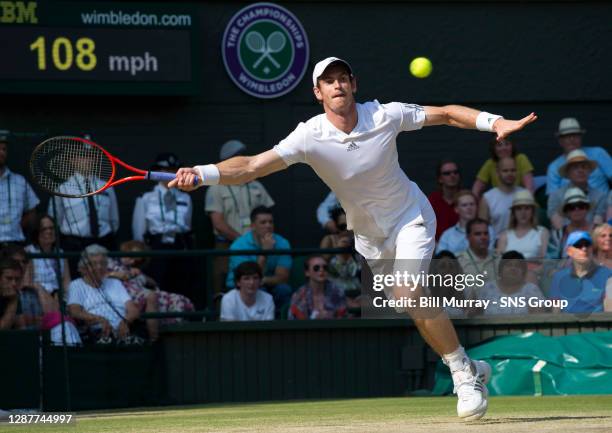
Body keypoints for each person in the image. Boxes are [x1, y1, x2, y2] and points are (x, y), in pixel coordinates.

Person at [170, 56, 537, 420]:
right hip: (370, 237)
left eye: (343, 78)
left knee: (411, 291)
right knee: (410, 307)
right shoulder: (308, 135)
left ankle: (461, 375)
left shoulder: (384, 114)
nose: (338, 85)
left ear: (354, 84)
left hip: (410, 218)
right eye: (329, 81)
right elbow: (250, 166)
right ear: (318, 93)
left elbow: (444, 113)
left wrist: (494, 122)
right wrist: (202, 174)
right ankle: (472, 367)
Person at [205, 140, 275, 294]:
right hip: (227, 245)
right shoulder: (215, 187)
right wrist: (242, 240)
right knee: (222, 286)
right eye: (236, 157)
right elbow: (218, 223)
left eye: (242, 155)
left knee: (257, 281)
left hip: (257, 245)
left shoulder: (256, 185)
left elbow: (267, 213)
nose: (241, 159)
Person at [48, 134, 119, 268]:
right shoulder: (63, 189)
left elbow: (114, 220)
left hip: (104, 243)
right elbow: (56, 219)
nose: (87, 159)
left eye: (90, 155)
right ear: (72, 159)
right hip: (75, 245)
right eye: (82, 155)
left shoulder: (107, 186)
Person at [132, 153, 196, 302]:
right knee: (158, 283)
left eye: (173, 170)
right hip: (157, 247)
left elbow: (187, 224)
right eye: (165, 170)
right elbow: (139, 230)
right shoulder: (146, 198)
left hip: (180, 245)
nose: (169, 174)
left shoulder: (185, 197)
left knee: (182, 283)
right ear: (156, 172)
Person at [107, 240, 194, 331]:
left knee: (178, 299)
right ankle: (155, 336)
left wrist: (140, 275)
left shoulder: (135, 271)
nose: (131, 261)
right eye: (129, 255)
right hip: (127, 297)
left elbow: (152, 282)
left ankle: (178, 328)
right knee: (153, 297)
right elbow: (102, 274)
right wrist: (117, 274)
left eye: (135, 259)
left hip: (142, 293)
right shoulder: (111, 262)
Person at [67, 245, 141, 343]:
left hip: (123, 329)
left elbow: (133, 310)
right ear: (83, 267)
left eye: (103, 263)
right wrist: (99, 319)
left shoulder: (115, 283)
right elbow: (74, 311)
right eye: (94, 264)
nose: (99, 267)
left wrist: (125, 322)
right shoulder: (76, 285)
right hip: (98, 331)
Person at [225, 206, 292, 309]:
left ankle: (281, 324)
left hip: (269, 284)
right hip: (240, 287)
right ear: (253, 226)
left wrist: (263, 280)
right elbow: (249, 279)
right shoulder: (238, 246)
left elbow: (282, 277)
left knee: (284, 290)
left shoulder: (282, 243)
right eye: (263, 222)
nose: (268, 226)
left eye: (271, 222)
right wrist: (264, 252)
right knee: (259, 291)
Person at [549, 231, 612, 313]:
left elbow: (609, 312)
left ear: (592, 248)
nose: (584, 248)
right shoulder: (559, 277)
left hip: (597, 324)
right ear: (569, 251)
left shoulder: (607, 275)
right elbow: (555, 312)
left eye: (587, 244)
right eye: (578, 245)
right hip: (567, 324)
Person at [546, 118, 612, 195]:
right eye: (567, 136)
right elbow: (553, 197)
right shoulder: (554, 167)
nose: (571, 139)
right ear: (560, 141)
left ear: (581, 137)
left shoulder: (598, 153)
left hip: (603, 205)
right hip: (571, 205)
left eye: (575, 135)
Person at [546, 149, 607, 230]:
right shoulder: (555, 196)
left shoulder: (600, 196)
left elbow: (597, 226)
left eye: (584, 167)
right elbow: (558, 226)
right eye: (575, 167)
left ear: (589, 171)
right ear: (568, 173)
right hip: (564, 239)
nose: (580, 170)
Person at [474, 251, 546, 316]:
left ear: (523, 272)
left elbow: (538, 318)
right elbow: (476, 316)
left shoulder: (531, 290)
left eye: (517, 266)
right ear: (501, 269)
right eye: (509, 265)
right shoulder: (488, 288)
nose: (513, 268)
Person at [0, 130, 40, 247]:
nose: (1, 152)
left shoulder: (19, 181)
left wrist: (16, 225)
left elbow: (32, 210)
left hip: (15, 244)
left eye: (4, 149)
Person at [478, 157, 526, 240]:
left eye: (513, 170)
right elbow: (482, 230)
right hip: (497, 245)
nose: (509, 173)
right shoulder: (487, 198)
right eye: (505, 171)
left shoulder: (524, 194)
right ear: (497, 173)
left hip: (523, 243)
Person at [24, 215, 71, 296]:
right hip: (38, 296)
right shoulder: (29, 251)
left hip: (58, 296)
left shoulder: (60, 252)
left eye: (51, 228)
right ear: (37, 232)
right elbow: (27, 282)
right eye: (44, 229)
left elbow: (66, 282)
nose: (49, 231)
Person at [436, 190, 494, 255]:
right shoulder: (447, 235)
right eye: (464, 205)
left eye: (472, 204)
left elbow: (490, 255)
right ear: (456, 209)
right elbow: (441, 260)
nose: (469, 208)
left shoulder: (488, 230)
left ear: (477, 207)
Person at [288, 256, 346, 320]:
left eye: (325, 267)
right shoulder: (299, 295)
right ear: (307, 272)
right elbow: (294, 321)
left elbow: (343, 317)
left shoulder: (337, 292)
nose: (321, 270)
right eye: (316, 268)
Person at [496, 190, 549, 260]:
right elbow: (500, 262)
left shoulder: (542, 232)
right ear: (513, 212)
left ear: (533, 211)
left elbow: (546, 261)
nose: (523, 213)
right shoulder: (504, 236)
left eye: (527, 208)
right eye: (519, 209)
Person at [548, 188, 594, 259]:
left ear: (587, 208)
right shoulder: (557, 235)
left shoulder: (599, 232)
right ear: (566, 212)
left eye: (580, 206)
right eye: (571, 207)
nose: (577, 210)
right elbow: (550, 261)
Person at [457, 219, 500, 291]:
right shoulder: (458, 262)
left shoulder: (499, 258)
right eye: (478, 234)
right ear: (468, 237)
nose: (483, 237)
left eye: (486, 233)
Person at [428, 159, 461, 240]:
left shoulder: (466, 199)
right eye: (447, 173)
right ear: (440, 179)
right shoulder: (433, 200)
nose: (452, 175)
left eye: (455, 172)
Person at [429, 251, 467, 318]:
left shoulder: (467, 296)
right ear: (435, 272)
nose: (447, 270)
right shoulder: (425, 298)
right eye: (442, 266)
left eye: (451, 266)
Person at [0, 258, 21, 330]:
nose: (14, 283)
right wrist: (13, 301)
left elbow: (20, 326)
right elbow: (2, 330)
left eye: (17, 279)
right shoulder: (14, 297)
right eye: (9, 278)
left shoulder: (14, 294)